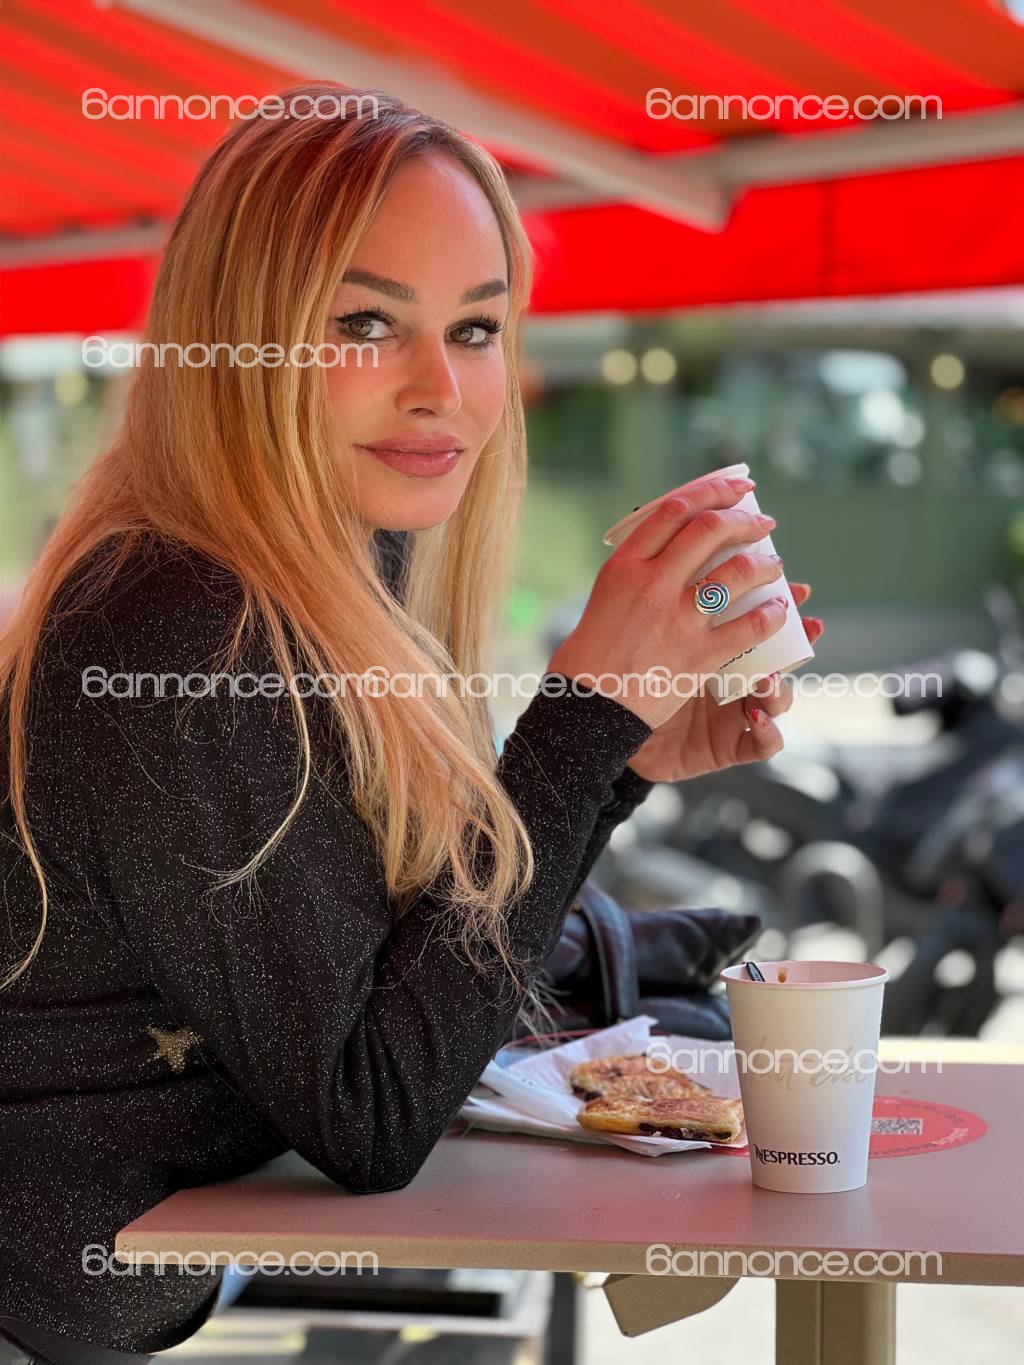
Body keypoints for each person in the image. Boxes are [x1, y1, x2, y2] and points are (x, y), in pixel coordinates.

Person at [0, 84, 823, 1362]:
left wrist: (617, 760)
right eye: (366, 322)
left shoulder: (330, 564)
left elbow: (394, 970)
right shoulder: (178, 629)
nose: (442, 387)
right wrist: (584, 714)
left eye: (477, 327)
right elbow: (373, 1110)